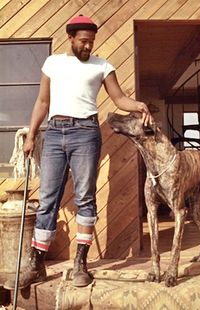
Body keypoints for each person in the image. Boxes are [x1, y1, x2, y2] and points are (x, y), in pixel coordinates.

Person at [4, 15, 152, 289]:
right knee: (47, 199)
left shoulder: (102, 66)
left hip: (86, 133)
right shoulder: (53, 63)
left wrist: (138, 105)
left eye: (91, 42)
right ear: (70, 38)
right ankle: (37, 266)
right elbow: (43, 101)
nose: (88, 47)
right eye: (83, 41)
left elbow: (119, 98)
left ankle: (80, 264)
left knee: (85, 196)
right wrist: (32, 135)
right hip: (55, 132)